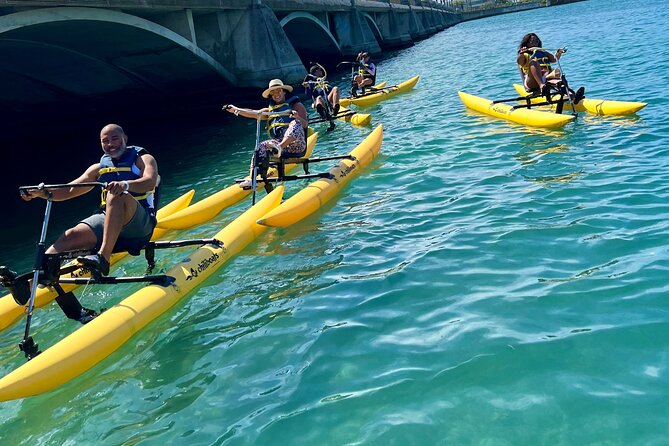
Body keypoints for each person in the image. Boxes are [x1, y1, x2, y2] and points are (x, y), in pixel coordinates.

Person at [19, 124, 159, 276]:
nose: (110, 144)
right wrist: (42, 194)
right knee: (70, 236)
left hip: (140, 223)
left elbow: (150, 181)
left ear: (124, 138)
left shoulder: (143, 159)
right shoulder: (98, 168)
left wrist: (124, 185)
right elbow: (70, 189)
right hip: (109, 219)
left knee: (115, 194)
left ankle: (103, 258)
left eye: (115, 139)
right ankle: (33, 280)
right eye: (105, 141)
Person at [226, 79, 308, 191]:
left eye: (278, 91)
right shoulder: (269, 111)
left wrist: (297, 117)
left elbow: (305, 124)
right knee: (261, 145)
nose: (276, 95)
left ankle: (280, 147)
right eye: (273, 93)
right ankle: (252, 178)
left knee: (295, 123)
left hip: (296, 145)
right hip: (277, 148)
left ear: (284, 91)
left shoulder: (296, 105)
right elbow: (252, 113)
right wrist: (236, 109)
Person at [516, 33, 584, 103]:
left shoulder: (542, 51)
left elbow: (554, 59)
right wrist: (521, 53)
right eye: (532, 41)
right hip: (532, 81)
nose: (534, 43)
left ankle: (573, 96)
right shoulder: (524, 54)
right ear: (526, 43)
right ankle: (541, 86)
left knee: (560, 82)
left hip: (546, 78)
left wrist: (559, 53)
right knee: (534, 62)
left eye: (536, 41)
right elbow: (519, 62)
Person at [302, 63, 340, 131]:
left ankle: (335, 108)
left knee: (335, 88)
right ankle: (322, 113)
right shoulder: (310, 83)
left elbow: (331, 90)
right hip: (320, 101)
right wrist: (306, 87)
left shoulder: (324, 80)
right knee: (319, 97)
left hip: (328, 98)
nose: (322, 71)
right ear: (316, 72)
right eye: (320, 70)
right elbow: (308, 95)